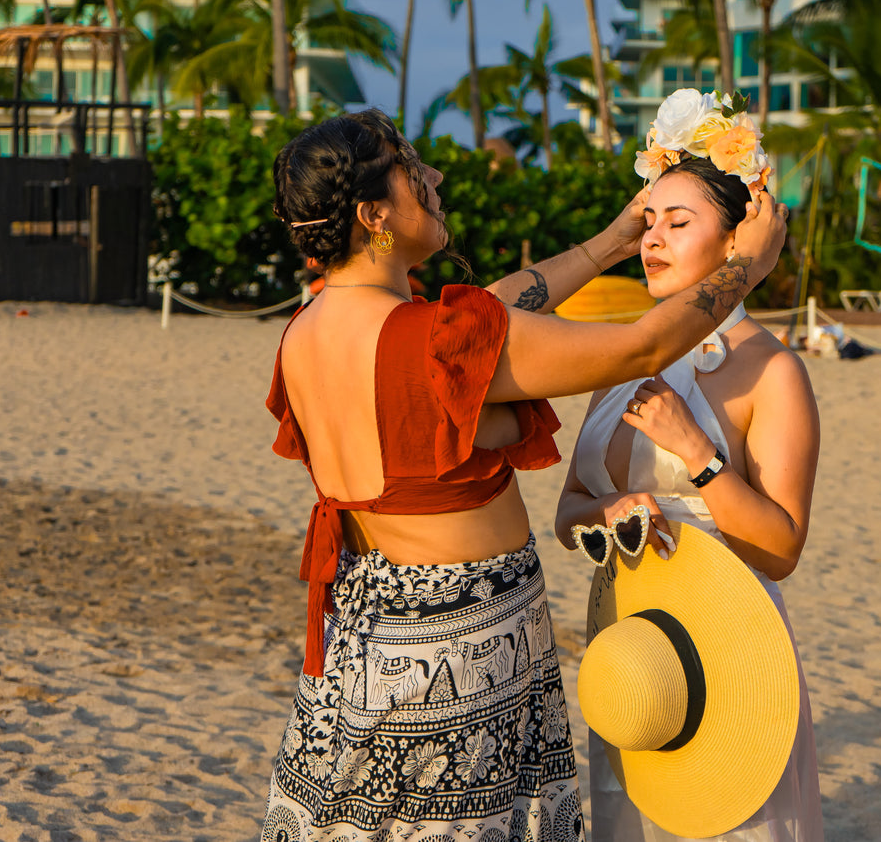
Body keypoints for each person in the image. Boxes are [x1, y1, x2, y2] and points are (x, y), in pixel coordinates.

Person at [258, 108, 788, 842]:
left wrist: (608, 243)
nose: (434, 177)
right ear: (373, 213)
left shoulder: (312, 328)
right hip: (457, 651)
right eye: (413, 169)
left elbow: (488, 313)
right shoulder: (423, 337)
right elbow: (637, 347)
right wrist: (745, 266)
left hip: (367, 629)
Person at [555, 98, 823, 842]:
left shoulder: (769, 370)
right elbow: (568, 507)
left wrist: (699, 458)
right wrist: (606, 514)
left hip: (730, 645)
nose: (654, 242)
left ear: (739, 239)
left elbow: (780, 547)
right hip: (635, 654)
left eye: (679, 223)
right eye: (649, 224)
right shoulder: (624, 359)